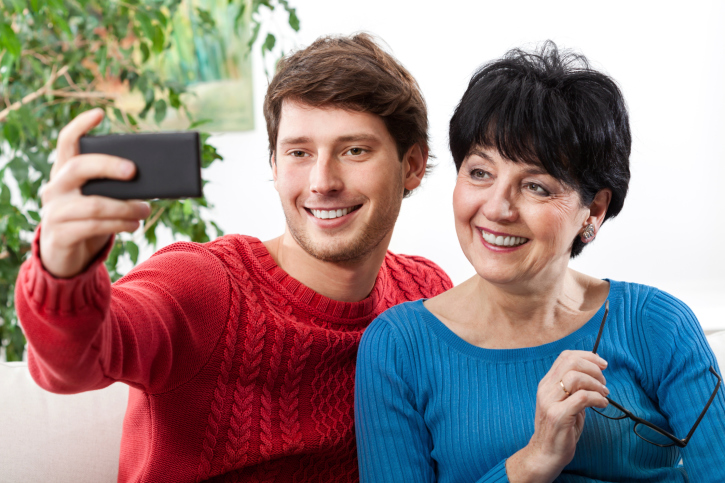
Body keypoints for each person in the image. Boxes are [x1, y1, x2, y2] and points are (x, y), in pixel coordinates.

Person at [15, 34, 453, 482]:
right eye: (299, 152)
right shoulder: (202, 285)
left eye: (354, 150)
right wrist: (61, 270)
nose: (323, 181)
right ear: (275, 165)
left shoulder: (425, 294)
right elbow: (72, 364)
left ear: (413, 166)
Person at [355, 41, 725, 482]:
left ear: (595, 209)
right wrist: (531, 461)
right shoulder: (398, 347)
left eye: (536, 186)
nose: (497, 208)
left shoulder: (658, 325)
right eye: (480, 172)